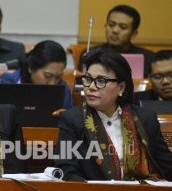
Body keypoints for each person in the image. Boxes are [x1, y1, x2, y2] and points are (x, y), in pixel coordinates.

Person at [55, 48, 172, 181]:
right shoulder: (72, 120)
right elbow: (67, 170)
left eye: (101, 81)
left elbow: (167, 166)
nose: (91, 87)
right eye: (87, 79)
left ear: (121, 87)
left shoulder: (145, 118)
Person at [0, 40, 73, 109]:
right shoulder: (4, 84)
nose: (53, 83)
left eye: (58, 77)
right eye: (47, 76)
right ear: (31, 67)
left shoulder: (63, 88)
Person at [77, 5, 154, 77]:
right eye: (111, 25)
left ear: (134, 34)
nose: (115, 30)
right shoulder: (90, 54)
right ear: (105, 27)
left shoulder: (148, 58)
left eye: (123, 27)